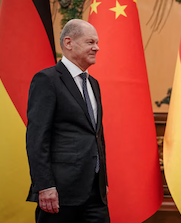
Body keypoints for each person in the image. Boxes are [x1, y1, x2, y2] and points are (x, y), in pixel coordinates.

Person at [26, 19, 109, 223]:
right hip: (60, 193)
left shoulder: (94, 84)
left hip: (95, 192)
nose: (97, 48)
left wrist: (102, 179)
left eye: (97, 42)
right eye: (90, 42)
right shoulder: (47, 80)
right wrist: (44, 186)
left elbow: (96, 135)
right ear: (69, 43)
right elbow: (37, 139)